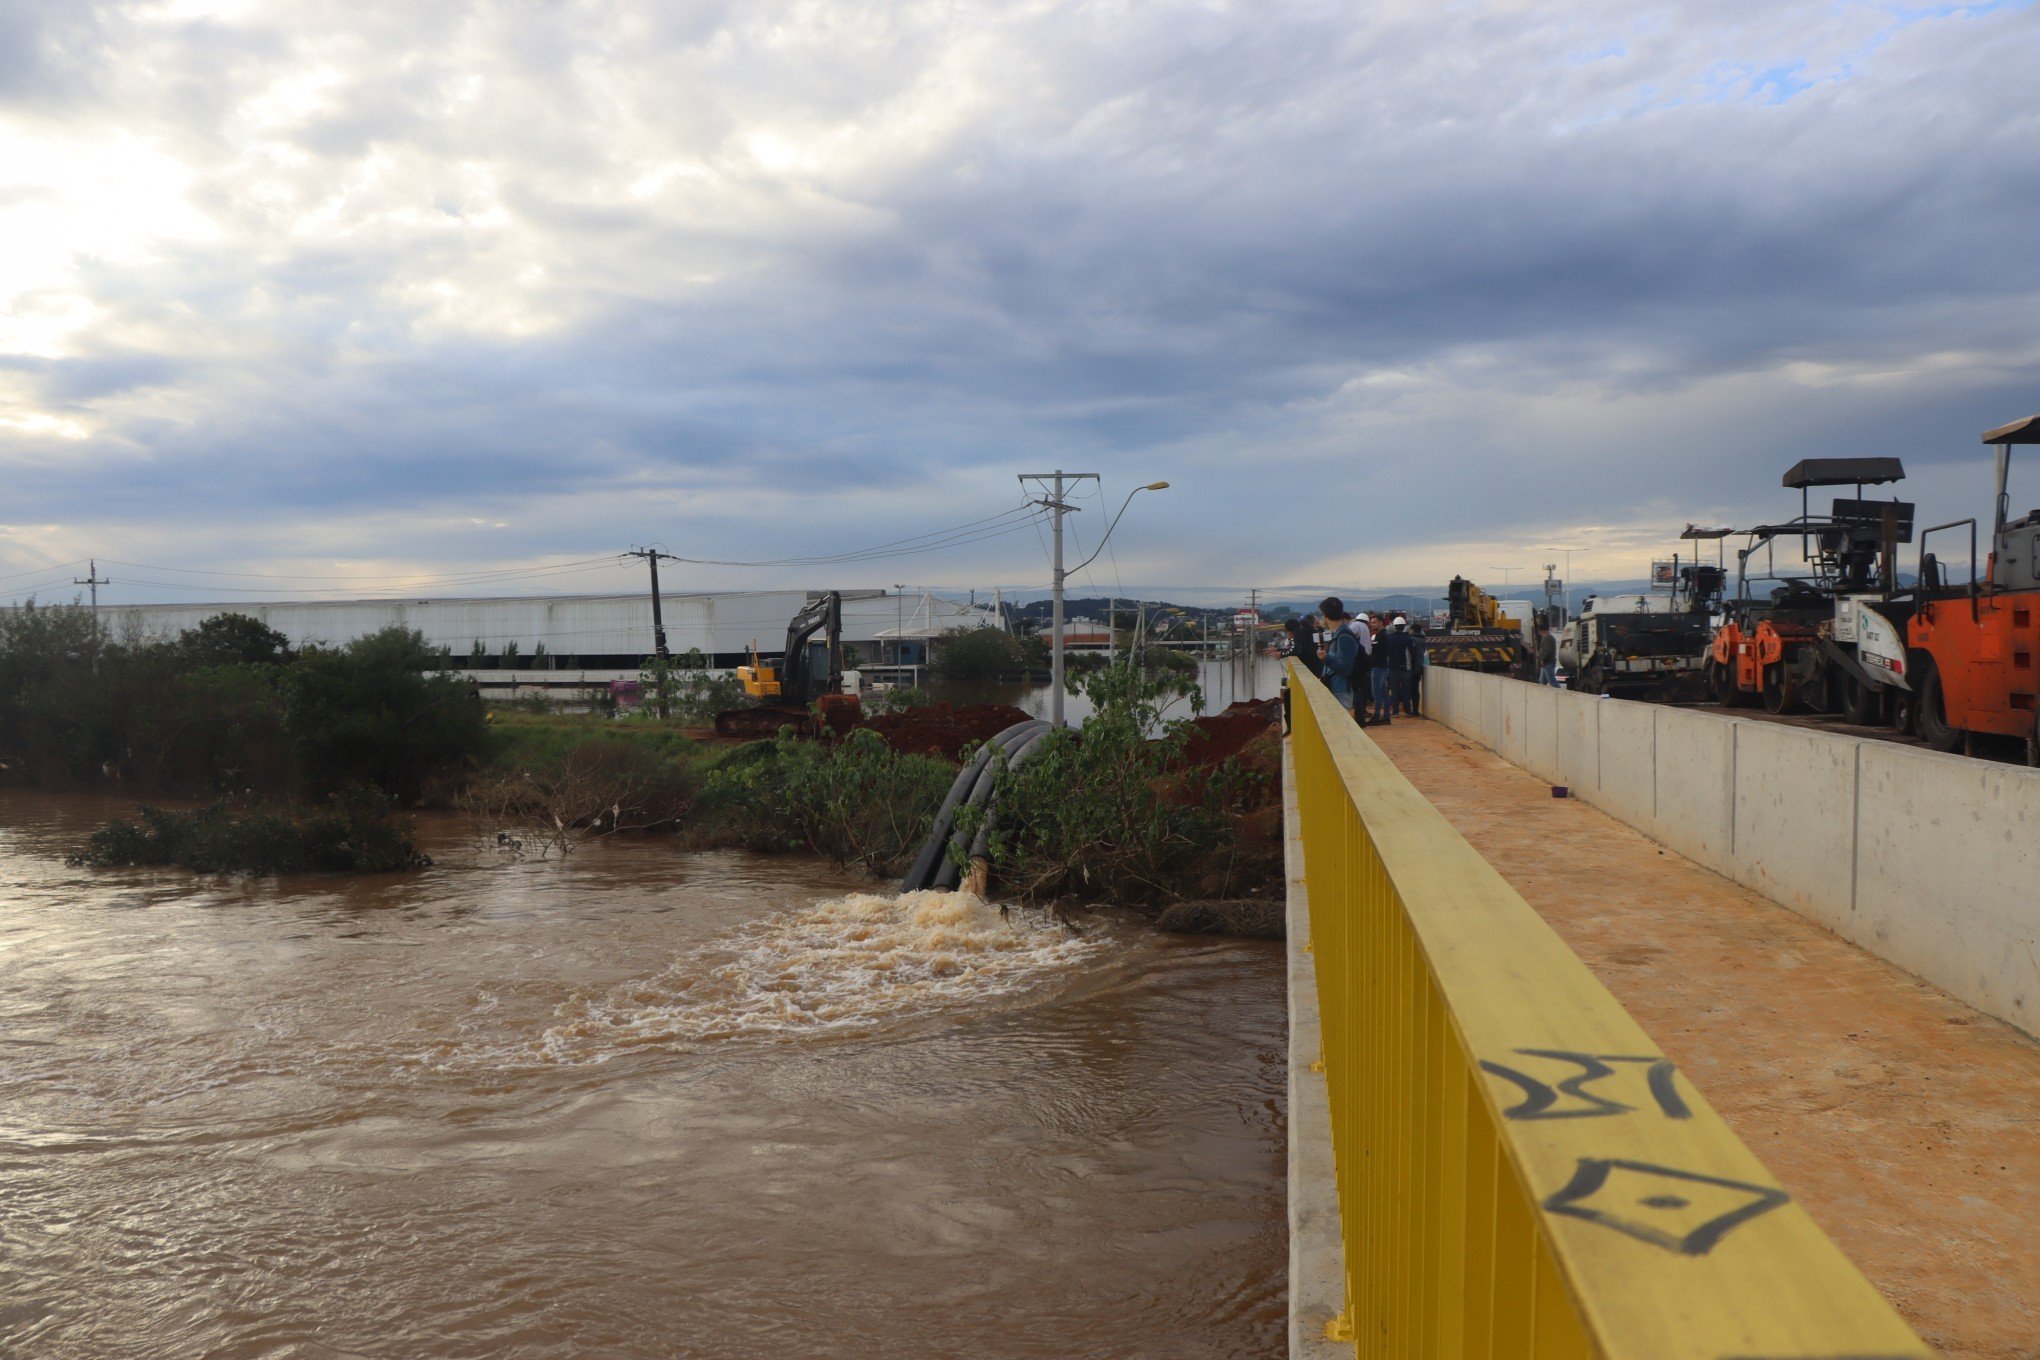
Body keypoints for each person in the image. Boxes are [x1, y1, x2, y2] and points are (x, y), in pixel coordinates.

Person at [1315, 599, 1361, 714]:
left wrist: (1326, 657)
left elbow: (1345, 669)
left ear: (1325, 616)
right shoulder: (1339, 634)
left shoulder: (1344, 636)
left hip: (1341, 691)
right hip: (1336, 689)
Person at [1376, 616, 1414, 722]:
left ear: (1394, 626)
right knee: (1406, 690)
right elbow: (1412, 654)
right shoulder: (1408, 638)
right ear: (1403, 627)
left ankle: (1395, 711)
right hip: (1406, 669)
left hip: (1392, 668)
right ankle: (1407, 710)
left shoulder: (1389, 638)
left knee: (1394, 690)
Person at [1283, 615, 1322, 680]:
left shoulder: (1302, 634)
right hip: (1316, 669)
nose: (1318, 626)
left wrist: (1282, 654)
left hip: (1312, 670)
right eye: (1316, 624)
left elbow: (1295, 649)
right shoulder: (1311, 633)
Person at [1405, 623, 1428, 715]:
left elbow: (1410, 654)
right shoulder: (1423, 640)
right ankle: (1415, 709)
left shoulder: (1412, 639)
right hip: (1419, 667)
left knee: (1409, 689)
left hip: (1411, 667)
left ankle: (1410, 709)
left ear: (1412, 630)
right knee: (1415, 689)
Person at [1535, 620, 1560, 687]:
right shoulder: (1549, 637)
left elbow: (1546, 650)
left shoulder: (1547, 638)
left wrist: (1542, 659)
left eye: (1538, 631)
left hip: (1548, 662)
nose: (1538, 633)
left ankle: (1560, 693)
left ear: (1541, 630)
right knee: (1542, 681)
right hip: (1547, 662)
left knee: (1551, 680)